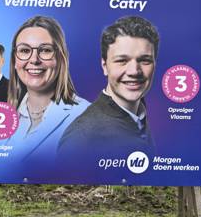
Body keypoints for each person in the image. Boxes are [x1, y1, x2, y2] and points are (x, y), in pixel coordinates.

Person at [58, 16, 159, 159]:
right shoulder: (81, 137)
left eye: (144, 60)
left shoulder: (140, 117)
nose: (134, 71)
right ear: (105, 66)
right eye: (122, 60)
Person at [0, 15, 89, 163]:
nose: (34, 60)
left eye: (45, 50)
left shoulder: (86, 116)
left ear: (61, 58)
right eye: (24, 50)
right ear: (14, 61)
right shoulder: (4, 116)